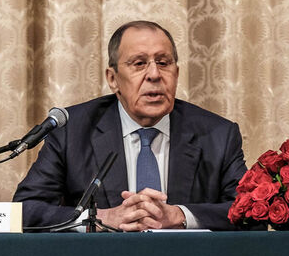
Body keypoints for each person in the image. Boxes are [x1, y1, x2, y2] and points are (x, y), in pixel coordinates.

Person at [13, 20, 247, 231]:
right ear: (113, 79)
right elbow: (25, 210)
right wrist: (97, 219)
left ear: (176, 73)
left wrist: (180, 215)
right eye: (139, 63)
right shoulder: (72, 131)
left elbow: (250, 213)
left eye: (163, 62)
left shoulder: (218, 135)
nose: (154, 74)